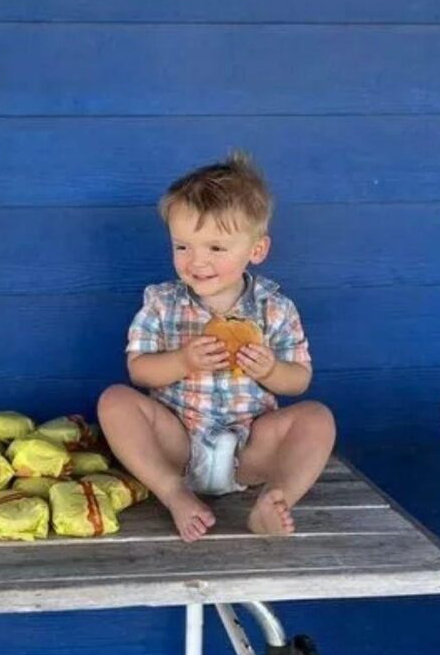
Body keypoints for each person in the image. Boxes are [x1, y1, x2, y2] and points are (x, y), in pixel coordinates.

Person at [97, 152, 336, 543]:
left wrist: (271, 371)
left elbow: (299, 381)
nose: (196, 262)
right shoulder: (161, 302)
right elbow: (138, 371)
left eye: (216, 249)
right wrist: (182, 360)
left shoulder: (274, 308)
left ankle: (276, 501)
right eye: (183, 247)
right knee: (114, 402)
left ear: (256, 250)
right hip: (177, 443)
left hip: (250, 448)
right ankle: (173, 493)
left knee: (317, 419)